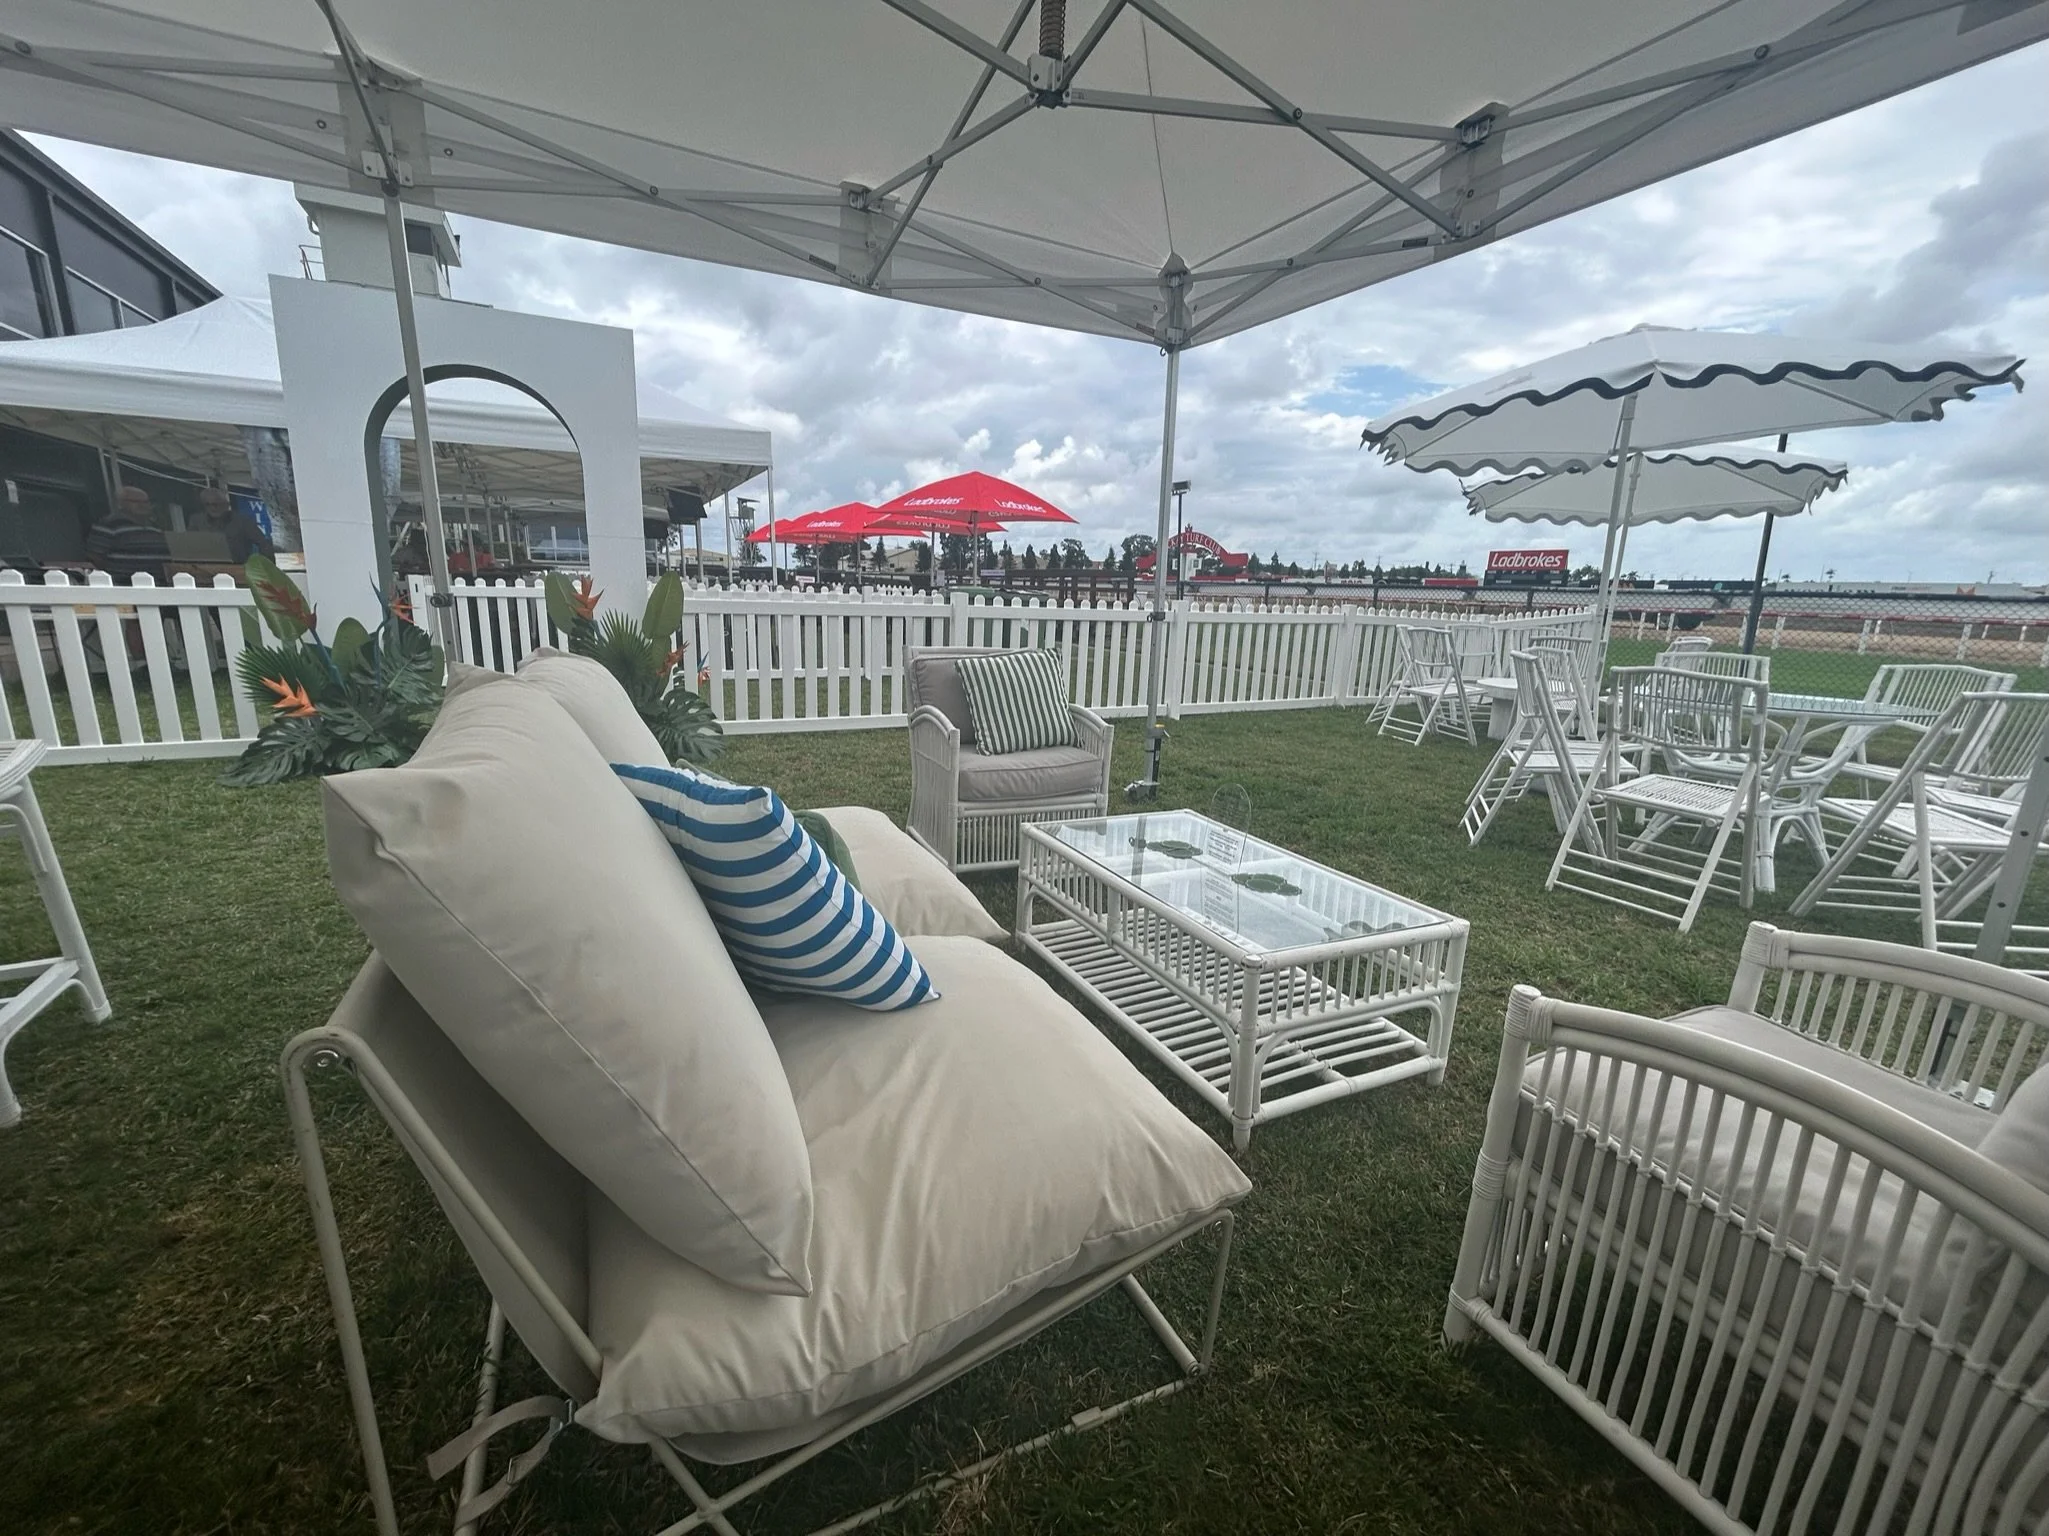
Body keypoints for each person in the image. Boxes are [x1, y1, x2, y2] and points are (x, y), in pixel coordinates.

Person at [85, 486, 171, 582]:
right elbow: (95, 558)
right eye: (136, 501)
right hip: (124, 588)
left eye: (146, 502)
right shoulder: (108, 525)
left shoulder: (156, 527)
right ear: (121, 504)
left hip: (160, 586)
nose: (142, 505)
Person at [199, 487, 272, 563]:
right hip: (206, 568)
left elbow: (264, 544)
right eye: (208, 504)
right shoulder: (197, 521)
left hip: (237, 568)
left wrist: (265, 568)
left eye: (216, 504)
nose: (212, 508)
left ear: (226, 505)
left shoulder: (243, 521)